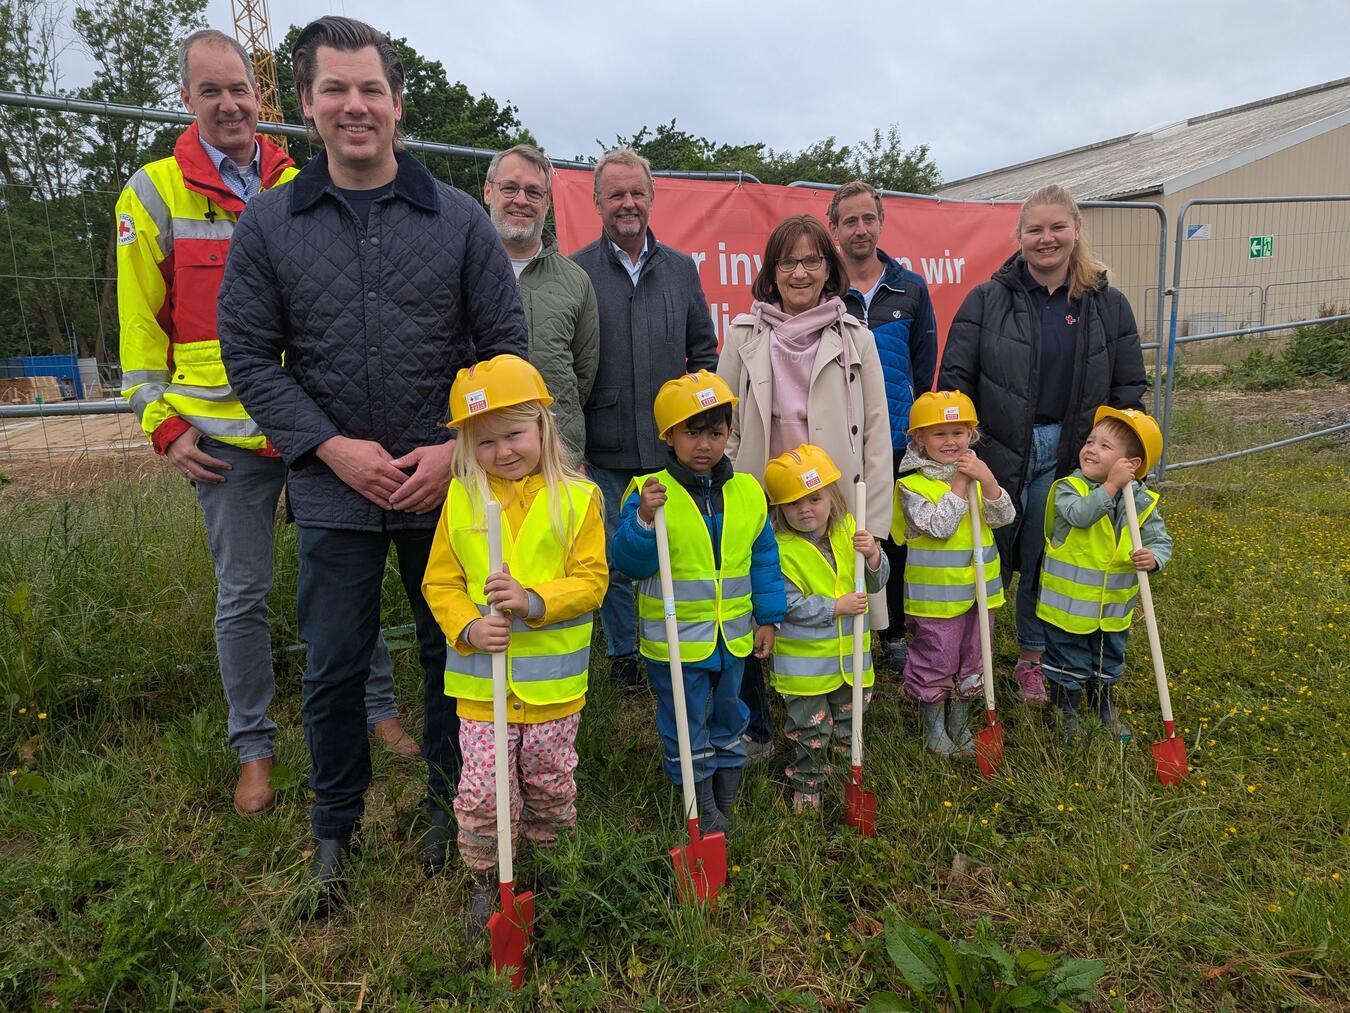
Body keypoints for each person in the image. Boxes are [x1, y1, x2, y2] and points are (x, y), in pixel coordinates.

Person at [217, 16, 528, 905]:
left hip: (445, 491)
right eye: (334, 90)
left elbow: (504, 349)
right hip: (332, 493)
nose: (354, 107)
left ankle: (448, 805)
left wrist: (452, 451)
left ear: (396, 102)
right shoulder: (273, 224)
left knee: (453, 655)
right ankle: (334, 829)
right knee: (333, 663)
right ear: (307, 106)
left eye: (370, 90)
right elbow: (248, 356)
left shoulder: (460, 221)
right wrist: (329, 447)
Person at [116, 27, 415, 821]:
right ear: (187, 99)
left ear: (263, 94)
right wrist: (162, 424)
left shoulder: (299, 178)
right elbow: (139, 335)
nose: (228, 104)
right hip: (225, 439)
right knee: (243, 594)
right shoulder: (154, 194)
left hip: (322, 429)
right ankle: (254, 744)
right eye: (209, 91)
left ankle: (377, 708)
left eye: (239, 88)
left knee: (350, 573)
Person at [939, 184, 1147, 708]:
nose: (1046, 239)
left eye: (1057, 227)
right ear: (1019, 236)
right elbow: (956, 378)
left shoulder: (1108, 305)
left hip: (1073, 450)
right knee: (983, 552)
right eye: (1035, 229)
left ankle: (1032, 658)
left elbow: (1128, 388)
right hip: (997, 446)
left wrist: (1121, 452)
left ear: (1077, 230)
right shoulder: (987, 299)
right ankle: (964, 663)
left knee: (1043, 554)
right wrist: (958, 445)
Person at [421, 355, 606, 940]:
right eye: (486, 442)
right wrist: (468, 629)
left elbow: (591, 579)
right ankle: (488, 876)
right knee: (483, 784)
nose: (503, 451)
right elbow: (440, 583)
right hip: (484, 687)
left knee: (549, 777)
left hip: (551, 689)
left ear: (544, 428)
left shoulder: (578, 499)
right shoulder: (461, 501)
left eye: (515, 435)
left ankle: (554, 865)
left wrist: (533, 601)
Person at [716, 213, 892, 759]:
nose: (799, 271)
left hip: (830, 499)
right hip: (760, 495)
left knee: (830, 600)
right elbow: (723, 420)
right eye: (787, 261)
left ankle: (837, 723)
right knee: (758, 600)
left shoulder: (855, 337)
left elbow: (879, 431)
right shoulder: (745, 334)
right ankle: (759, 727)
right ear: (771, 271)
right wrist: (726, 497)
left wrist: (874, 523)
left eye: (811, 259)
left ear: (828, 267)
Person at [610, 371, 785, 839]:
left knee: (732, 714)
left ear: (729, 432)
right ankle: (701, 807)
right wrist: (645, 519)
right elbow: (627, 560)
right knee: (685, 723)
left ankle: (724, 804)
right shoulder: (649, 493)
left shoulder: (747, 492)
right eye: (692, 432)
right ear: (668, 434)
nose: (705, 444)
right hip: (674, 643)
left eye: (715, 432)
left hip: (733, 636)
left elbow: (765, 558)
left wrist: (767, 617)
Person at [572, 148, 718, 691]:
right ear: (597, 202)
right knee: (612, 555)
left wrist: (698, 429)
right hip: (603, 443)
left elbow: (703, 352)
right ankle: (624, 651)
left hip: (668, 447)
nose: (627, 203)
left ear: (652, 198)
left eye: (637, 193)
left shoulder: (681, 269)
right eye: (616, 194)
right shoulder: (577, 270)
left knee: (668, 549)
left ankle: (670, 640)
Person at [828, 181, 938, 674]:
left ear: (881, 221)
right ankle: (845, 625)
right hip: (838, 439)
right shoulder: (827, 291)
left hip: (893, 439)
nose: (859, 229)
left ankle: (891, 630)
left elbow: (923, 364)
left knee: (889, 538)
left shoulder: (910, 289)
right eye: (849, 221)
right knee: (841, 533)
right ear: (833, 229)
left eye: (867, 219)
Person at [763, 444, 889, 814]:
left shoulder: (851, 531)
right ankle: (808, 785)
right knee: (810, 733)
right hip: (806, 671)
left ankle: (848, 781)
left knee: (852, 727)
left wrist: (872, 556)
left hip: (851, 662)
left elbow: (877, 582)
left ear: (832, 497)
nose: (805, 510)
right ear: (779, 510)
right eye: (792, 504)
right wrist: (835, 607)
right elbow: (784, 603)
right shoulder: (779, 549)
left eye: (814, 499)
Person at [1037, 407, 1171, 740]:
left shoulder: (1142, 502)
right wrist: (1110, 487)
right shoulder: (1069, 488)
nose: (1091, 449)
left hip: (1112, 610)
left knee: (1107, 662)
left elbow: (1160, 539)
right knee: (1068, 662)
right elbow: (1080, 516)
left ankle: (1103, 711)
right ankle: (1063, 713)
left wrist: (1154, 557)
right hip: (1067, 609)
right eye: (1089, 441)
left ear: (1132, 466)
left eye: (1105, 446)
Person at [893, 392, 1015, 756]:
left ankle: (959, 723)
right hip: (936, 601)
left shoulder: (978, 474)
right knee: (937, 659)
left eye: (958, 433)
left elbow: (1003, 517)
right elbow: (940, 526)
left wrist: (988, 480)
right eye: (939, 434)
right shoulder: (912, 486)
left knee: (974, 658)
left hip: (979, 594)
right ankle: (933, 728)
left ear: (971, 435)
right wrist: (961, 484)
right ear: (919, 439)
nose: (950, 442)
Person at [482, 143, 600, 459]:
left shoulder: (576, 282)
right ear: (488, 192)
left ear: (547, 202)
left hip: (557, 459)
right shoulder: (455, 269)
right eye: (510, 188)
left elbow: (582, 377)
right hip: (477, 458)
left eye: (533, 192)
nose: (521, 200)